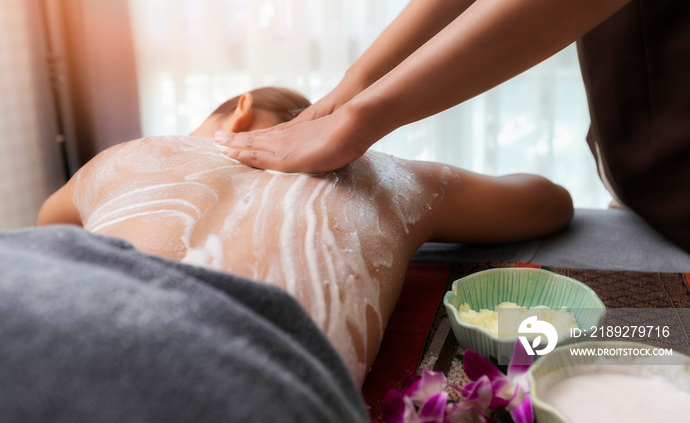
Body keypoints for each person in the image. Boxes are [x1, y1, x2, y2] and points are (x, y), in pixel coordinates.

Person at [37, 86, 573, 389]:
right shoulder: (388, 173)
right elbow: (549, 201)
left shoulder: (126, 157)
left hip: (64, 346)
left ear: (239, 109)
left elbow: (47, 233)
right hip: (258, 388)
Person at [213, 0, 689, 253]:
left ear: (243, 116)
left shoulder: (146, 160)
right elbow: (550, 201)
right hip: (649, 185)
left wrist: (359, 113)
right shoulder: (374, 185)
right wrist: (352, 92)